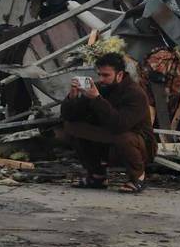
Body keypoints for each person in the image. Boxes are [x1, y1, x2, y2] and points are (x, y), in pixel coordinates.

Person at [58, 50, 155, 191]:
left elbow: (120, 125)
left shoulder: (135, 94)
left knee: (124, 137)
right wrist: (72, 98)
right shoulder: (99, 88)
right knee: (72, 128)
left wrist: (97, 99)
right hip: (109, 139)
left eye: (106, 75)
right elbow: (69, 116)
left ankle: (138, 177)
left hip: (139, 146)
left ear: (120, 75)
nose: (101, 79)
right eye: (99, 75)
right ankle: (97, 176)